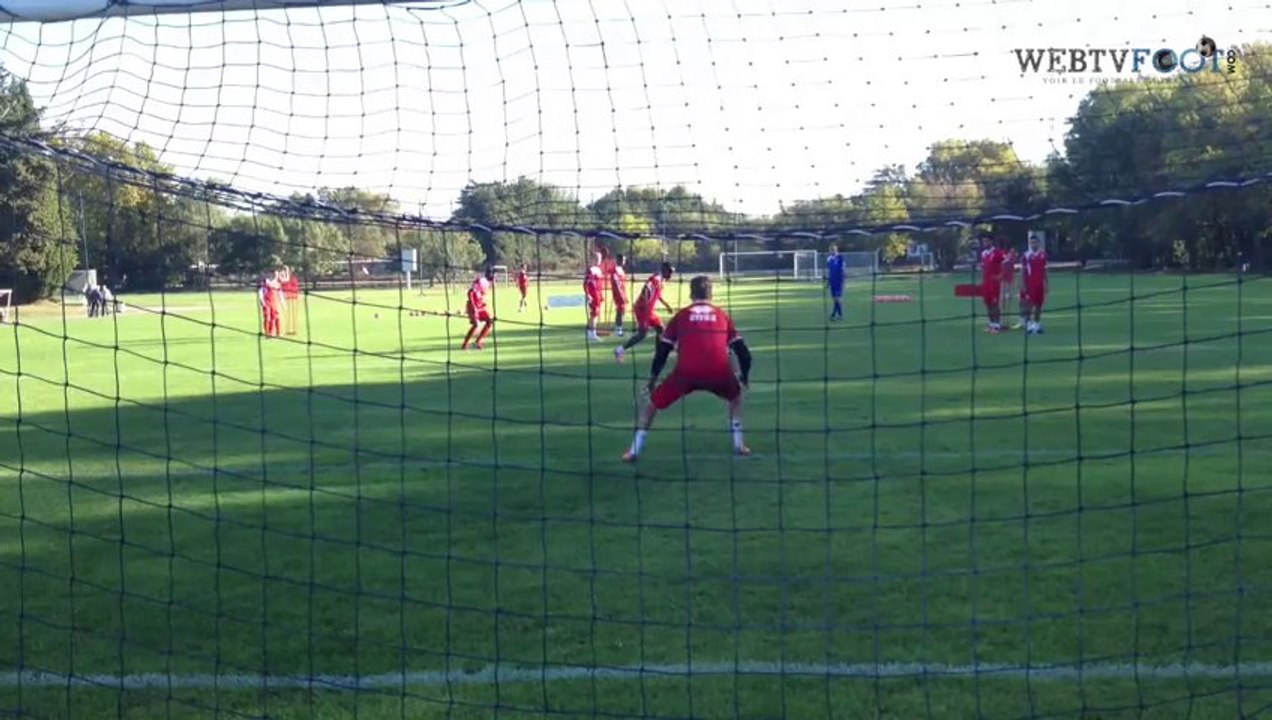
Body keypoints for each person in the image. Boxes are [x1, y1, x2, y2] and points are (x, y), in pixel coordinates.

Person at [623, 274, 752, 461]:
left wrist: (652, 380)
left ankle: (633, 451)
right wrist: (744, 378)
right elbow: (743, 353)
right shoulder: (722, 316)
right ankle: (739, 445)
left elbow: (662, 352)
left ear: (691, 294)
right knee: (736, 397)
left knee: (651, 406)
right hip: (719, 373)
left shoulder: (681, 316)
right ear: (711, 294)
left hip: (685, 374)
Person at [613, 261, 675, 363]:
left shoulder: (662, 280)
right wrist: (646, 304)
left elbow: (657, 295)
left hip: (649, 311)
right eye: (669, 272)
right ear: (664, 270)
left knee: (661, 329)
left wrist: (667, 305)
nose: (671, 275)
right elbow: (646, 289)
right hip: (643, 310)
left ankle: (658, 353)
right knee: (642, 334)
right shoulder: (656, 278)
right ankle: (620, 350)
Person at [461, 266, 496, 350]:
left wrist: (482, 303)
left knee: (489, 321)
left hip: (479, 307)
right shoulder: (481, 281)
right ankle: (464, 345)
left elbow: (479, 295)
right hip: (473, 306)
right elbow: (470, 293)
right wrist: (474, 307)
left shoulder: (487, 284)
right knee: (476, 325)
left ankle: (478, 341)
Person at [979, 233, 1007, 333]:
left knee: (994, 304)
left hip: (994, 283)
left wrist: (1001, 275)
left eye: (986, 241)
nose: (984, 243)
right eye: (983, 241)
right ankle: (991, 324)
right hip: (986, 282)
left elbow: (1007, 263)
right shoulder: (983, 253)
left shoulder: (997, 252)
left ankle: (997, 325)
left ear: (991, 241)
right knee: (987, 303)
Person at [1020, 235, 1048, 334]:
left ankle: (1037, 325)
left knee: (1039, 305)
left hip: (1040, 284)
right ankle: (1028, 326)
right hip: (1030, 284)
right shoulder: (1026, 255)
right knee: (1029, 305)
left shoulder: (1043, 255)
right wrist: (1023, 285)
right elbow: (1023, 271)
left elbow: (1044, 270)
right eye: (1031, 243)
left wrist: (1046, 284)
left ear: (1038, 243)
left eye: (1035, 242)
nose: (1033, 244)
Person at [583, 253, 604, 342]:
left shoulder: (598, 270)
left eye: (600, 258)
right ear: (593, 259)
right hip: (593, 295)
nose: (599, 260)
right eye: (597, 258)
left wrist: (601, 295)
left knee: (594, 314)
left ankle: (589, 333)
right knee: (594, 314)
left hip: (598, 295)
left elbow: (599, 284)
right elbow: (586, 283)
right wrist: (588, 294)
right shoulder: (591, 270)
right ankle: (593, 334)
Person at [610, 253, 629, 336]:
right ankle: (618, 330)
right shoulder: (615, 270)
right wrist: (621, 295)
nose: (623, 261)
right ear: (618, 260)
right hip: (618, 293)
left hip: (622, 292)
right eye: (622, 260)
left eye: (624, 260)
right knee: (620, 310)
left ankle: (619, 328)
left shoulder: (620, 269)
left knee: (622, 310)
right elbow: (616, 284)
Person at [826, 244, 845, 321]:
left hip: (838, 280)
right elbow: (829, 271)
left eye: (834, 249)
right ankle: (837, 315)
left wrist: (843, 280)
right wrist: (828, 282)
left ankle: (836, 314)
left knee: (837, 298)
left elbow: (843, 270)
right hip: (832, 281)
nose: (832, 251)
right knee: (834, 299)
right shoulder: (829, 259)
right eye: (831, 250)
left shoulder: (840, 257)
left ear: (836, 249)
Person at [259, 271, 282, 337]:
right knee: (267, 317)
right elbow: (261, 291)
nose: (276, 275)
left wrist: (282, 302)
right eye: (274, 274)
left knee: (275, 317)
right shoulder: (266, 283)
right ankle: (267, 333)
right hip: (267, 302)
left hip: (275, 303)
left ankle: (277, 333)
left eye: (277, 274)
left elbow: (280, 293)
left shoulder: (277, 284)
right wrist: (262, 301)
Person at [1000, 246, 1018, 327]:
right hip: (1003, 281)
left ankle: (1007, 321)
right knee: (1003, 300)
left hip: (1009, 281)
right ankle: (1002, 321)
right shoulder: (1003, 258)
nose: (1013, 254)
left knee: (1008, 300)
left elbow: (1012, 271)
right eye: (1011, 252)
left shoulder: (1011, 259)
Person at [280, 266, 301, 335]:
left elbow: (296, 288)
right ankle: (287, 330)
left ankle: (294, 329)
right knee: (286, 315)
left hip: (293, 298)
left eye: (286, 270)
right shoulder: (281, 279)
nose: (284, 272)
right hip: (285, 298)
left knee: (293, 315)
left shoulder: (293, 279)